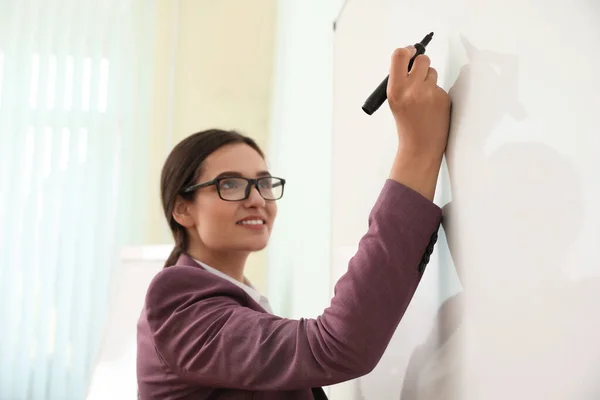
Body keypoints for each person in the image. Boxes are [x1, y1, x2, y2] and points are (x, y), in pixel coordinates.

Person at [136, 44, 451, 399]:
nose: (256, 198)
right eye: (231, 184)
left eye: (264, 183)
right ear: (183, 209)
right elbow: (336, 345)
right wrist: (418, 149)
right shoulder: (178, 300)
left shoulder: (238, 300)